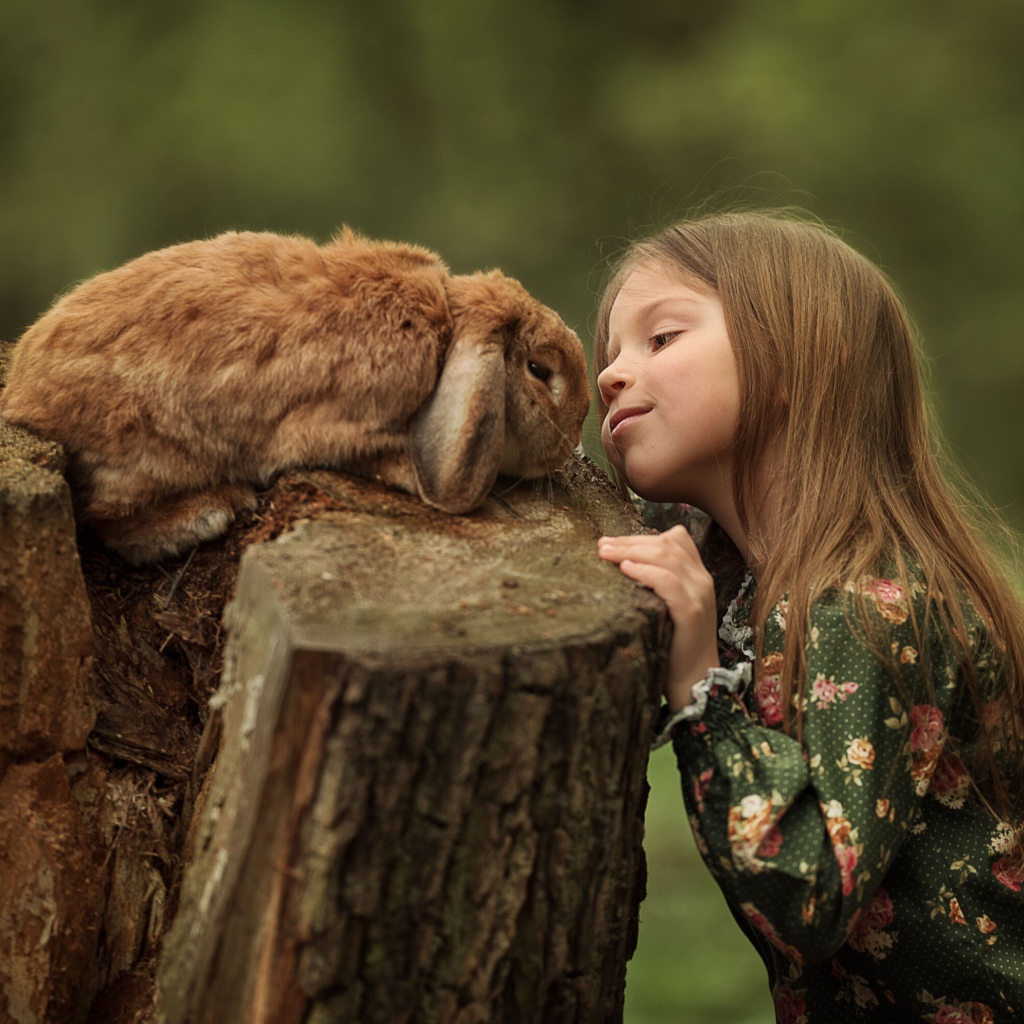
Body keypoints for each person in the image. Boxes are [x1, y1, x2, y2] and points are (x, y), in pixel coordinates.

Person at [594, 211, 1024, 1022]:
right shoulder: (761, 586)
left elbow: (809, 899)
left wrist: (699, 693)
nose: (611, 375)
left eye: (659, 339)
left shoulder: (862, 599)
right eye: (608, 355)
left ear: (795, 357)